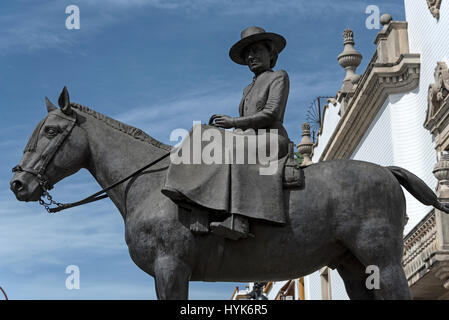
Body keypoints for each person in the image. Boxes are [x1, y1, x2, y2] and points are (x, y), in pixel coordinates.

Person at [209, 26, 290, 240]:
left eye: (256, 51)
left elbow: (271, 114)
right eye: (247, 54)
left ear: (271, 54)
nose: (251, 57)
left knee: (235, 150)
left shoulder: (278, 77)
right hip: (248, 137)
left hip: (271, 138)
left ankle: (240, 219)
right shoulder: (247, 89)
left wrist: (234, 122)